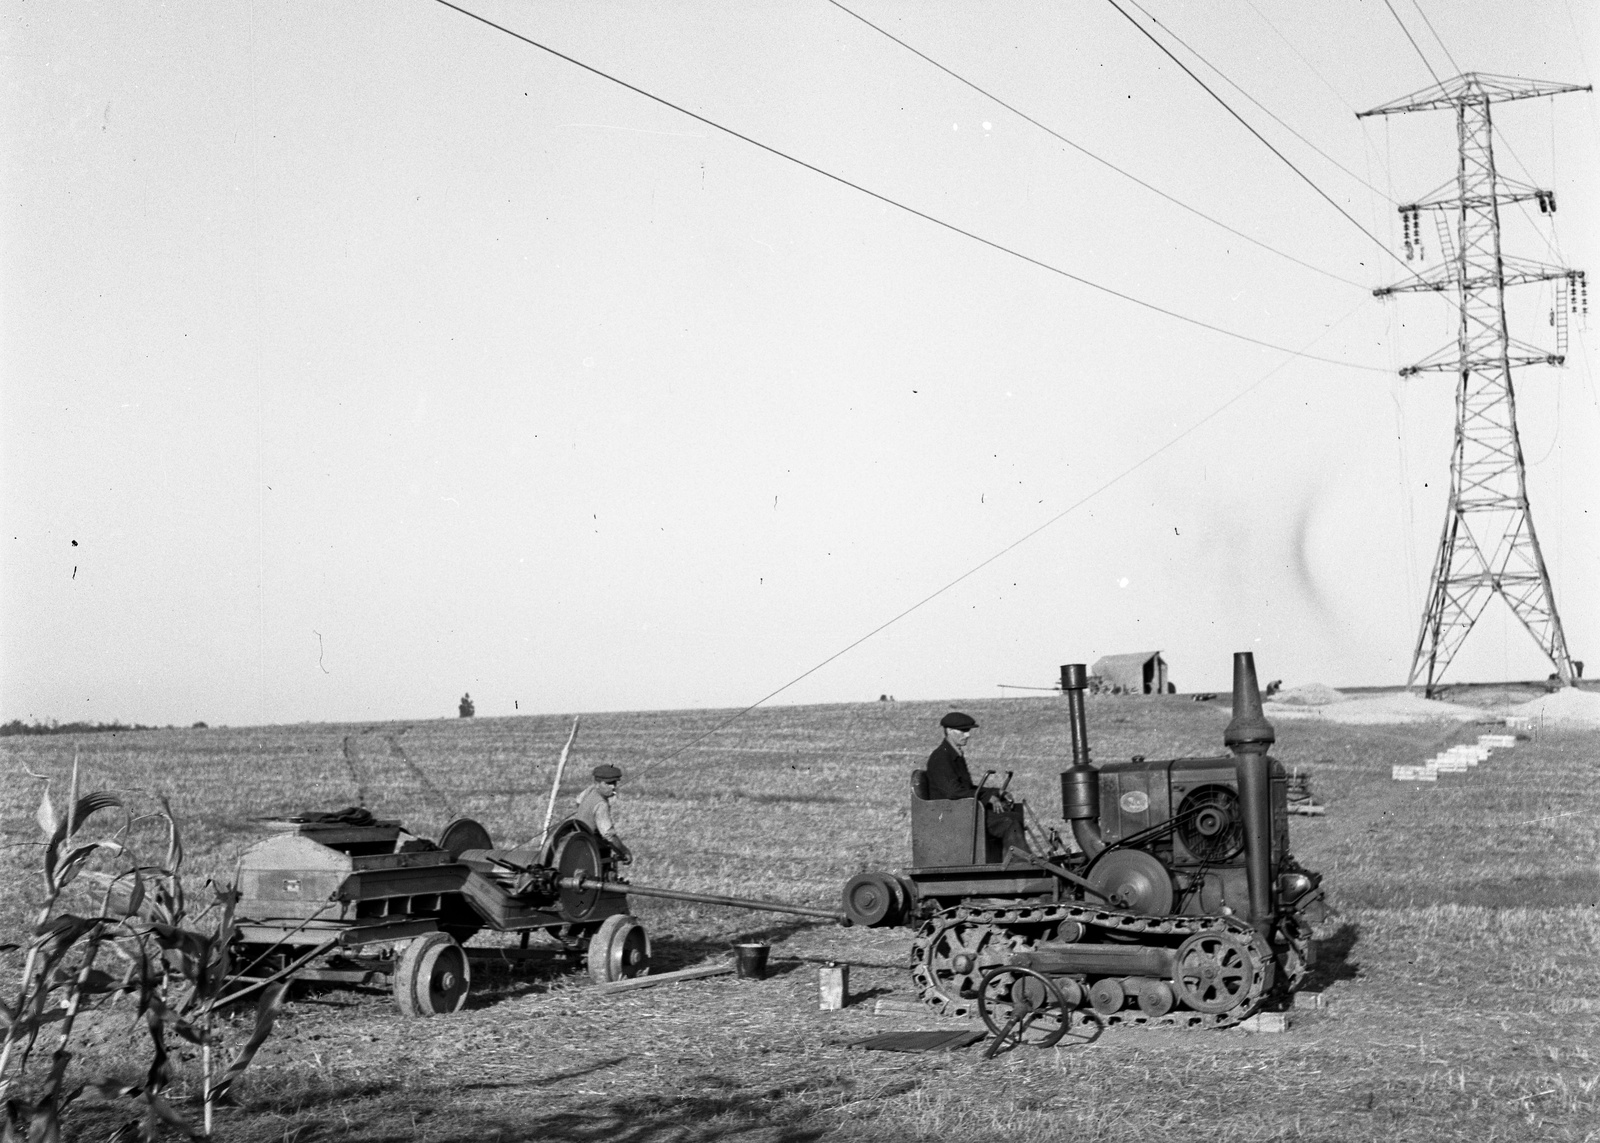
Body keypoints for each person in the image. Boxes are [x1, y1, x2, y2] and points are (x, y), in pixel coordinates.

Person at [925, 712, 1028, 855]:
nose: (968, 735)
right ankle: (1020, 864)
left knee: (1014, 815)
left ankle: (1014, 860)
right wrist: (987, 798)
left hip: (962, 810)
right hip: (951, 814)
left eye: (968, 731)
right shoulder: (941, 758)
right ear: (948, 731)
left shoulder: (953, 754)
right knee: (1008, 822)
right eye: (963, 731)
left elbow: (966, 788)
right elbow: (953, 792)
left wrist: (995, 792)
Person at [573, 763, 632, 863]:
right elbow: (609, 835)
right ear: (597, 783)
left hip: (577, 838)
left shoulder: (591, 789)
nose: (613, 787)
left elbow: (578, 801)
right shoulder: (601, 804)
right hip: (589, 848)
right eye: (608, 783)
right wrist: (624, 852)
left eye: (614, 783)